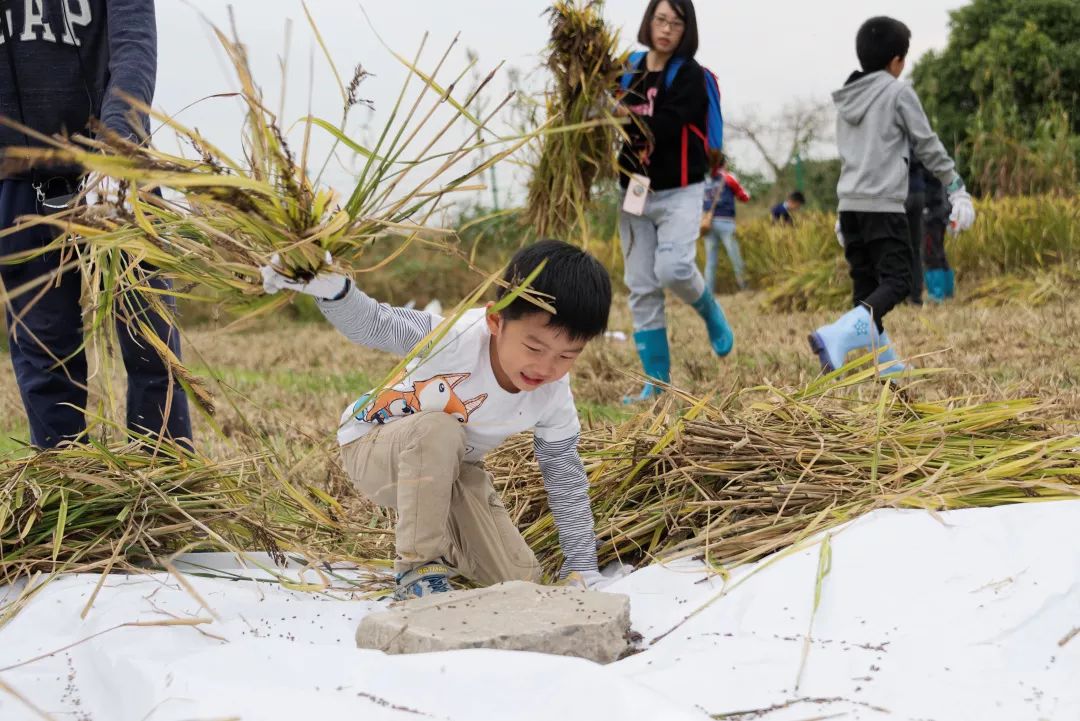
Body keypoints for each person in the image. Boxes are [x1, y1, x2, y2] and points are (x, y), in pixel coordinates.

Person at [261, 240, 612, 600]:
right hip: (376, 449)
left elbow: (564, 474)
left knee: (520, 580)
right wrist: (332, 289)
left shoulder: (552, 392)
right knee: (439, 428)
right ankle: (418, 570)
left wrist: (581, 564)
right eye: (534, 348)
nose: (545, 367)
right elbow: (375, 324)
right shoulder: (453, 338)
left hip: (450, 470)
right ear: (495, 320)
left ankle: (445, 545)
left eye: (567, 355)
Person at [0, 0, 191, 448]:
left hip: (116, 177)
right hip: (19, 184)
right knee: (44, 355)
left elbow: (134, 46)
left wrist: (117, 148)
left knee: (150, 343)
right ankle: (68, 493)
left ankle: (166, 487)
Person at [809, 16, 975, 377]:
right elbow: (926, 144)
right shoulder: (897, 91)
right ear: (897, 60)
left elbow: (850, 156)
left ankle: (888, 370)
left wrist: (841, 215)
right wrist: (955, 185)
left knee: (867, 292)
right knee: (898, 281)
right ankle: (834, 333)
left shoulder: (846, 98)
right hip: (883, 204)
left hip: (850, 206)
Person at [616, 0, 734, 403]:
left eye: (676, 23)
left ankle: (710, 311)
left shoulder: (691, 76)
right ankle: (657, 381)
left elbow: (667, 122)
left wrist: (618, 116)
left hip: (680, 189)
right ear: (649, 22)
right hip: (633, 191)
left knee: (674, 268)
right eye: (660, 19)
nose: (666, 29)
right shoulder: (627, 67)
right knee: (641, 285)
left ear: (687, 30)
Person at [701, 152, 751, 293]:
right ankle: (744, 287)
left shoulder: (704, 180)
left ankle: (709, 292)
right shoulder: (728, 178)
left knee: (710, 262)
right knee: (735, 256)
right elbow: (744, 197)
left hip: (708, 223)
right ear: (724, 163)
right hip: (726, 222)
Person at [922, 173, 954, 302]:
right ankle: (947, 291)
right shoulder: (939, 167)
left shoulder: (929, 167)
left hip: (932, 214)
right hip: (941, 213)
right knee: (939, 252)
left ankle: (936, 293)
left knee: (930, 253)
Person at [904, 150, 926, 304]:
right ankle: (916, 294)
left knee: (897, 245)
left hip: (900, 193)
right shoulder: (917, 138)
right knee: (915, 246)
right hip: (918, 192)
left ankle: (900, 291)